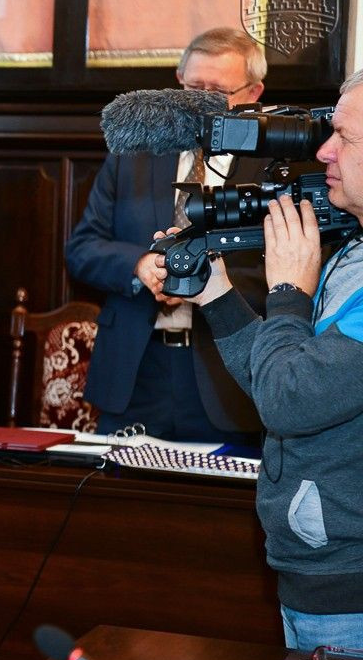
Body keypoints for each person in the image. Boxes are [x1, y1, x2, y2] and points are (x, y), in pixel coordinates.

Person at [185, 69, 363, 649]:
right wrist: (214, 292)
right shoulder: (354, 251)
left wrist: (288, 292)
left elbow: (290, 402)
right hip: (316, 578)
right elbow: (277, 380)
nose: (325, 150)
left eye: (346, 139)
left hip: (349, 592)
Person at [66, 27, 268, 443]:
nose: (200, 103)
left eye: (217, 93)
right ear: (177, 82)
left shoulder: (272, 168)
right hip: (135, 374)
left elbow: (289, 274)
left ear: (253, 94)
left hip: (225, 378)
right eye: (193, 88)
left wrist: (205, 283)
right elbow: (83, 247)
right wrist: (141, 266)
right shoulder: (132, 152)